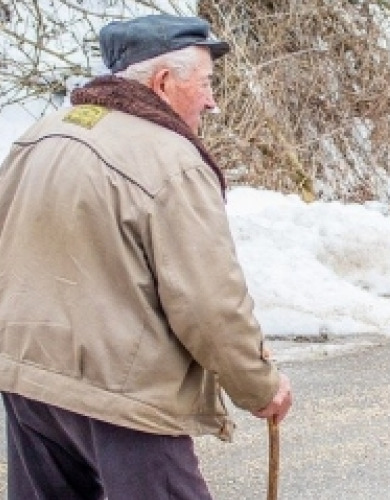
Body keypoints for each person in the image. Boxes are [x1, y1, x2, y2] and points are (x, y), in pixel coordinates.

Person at [0, 13, 292, 500]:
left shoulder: (40, 137)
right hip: (123, 397)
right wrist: (260, 386)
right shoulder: (172, 161)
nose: (212, 101)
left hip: (29, 384)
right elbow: (209, 304)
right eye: (205, 84)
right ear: (162, 81)